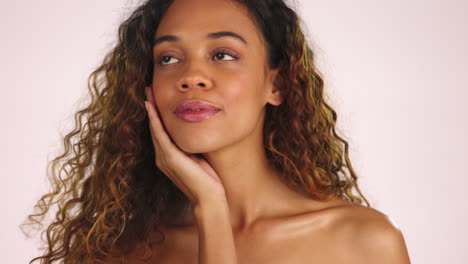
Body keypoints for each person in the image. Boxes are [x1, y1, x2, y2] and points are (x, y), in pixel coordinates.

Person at [23, 0, 411, 263]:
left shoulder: (363, 244)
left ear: (276, 85)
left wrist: (211, 209)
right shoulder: (124, 249)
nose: (191, 76)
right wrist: (210, 207)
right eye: (169, 58)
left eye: (223, 54)